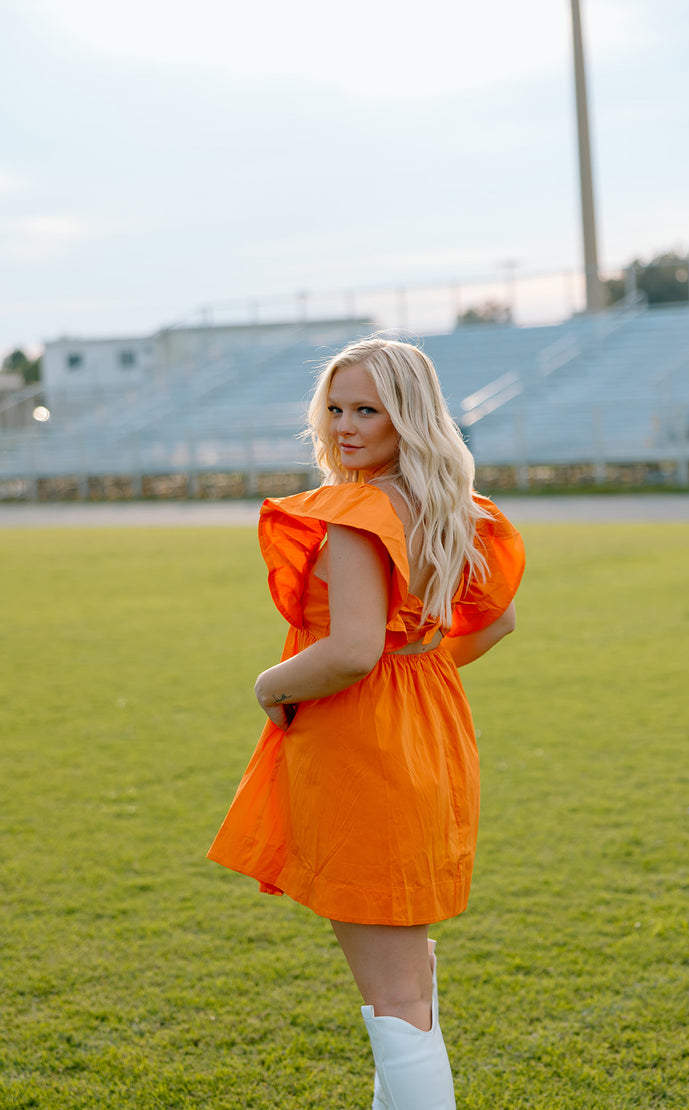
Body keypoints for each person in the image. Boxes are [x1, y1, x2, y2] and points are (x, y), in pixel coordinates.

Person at [207, 336, 525, 1109]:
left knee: (398, 1002)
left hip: (366, 750)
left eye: (367, 411)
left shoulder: (358, 514)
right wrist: (417, 666)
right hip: (429, 739)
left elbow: (349, 651)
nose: (345, 427)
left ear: (407, 418)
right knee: (408, 987)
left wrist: (271, 683)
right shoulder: (450, 507)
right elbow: (495, 622)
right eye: (336, 408)